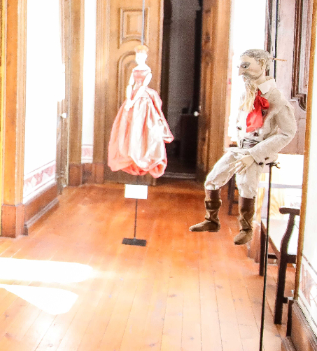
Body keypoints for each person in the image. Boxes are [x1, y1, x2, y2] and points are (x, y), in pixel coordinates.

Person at [189, 49, 296, 245]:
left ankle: (246, 228)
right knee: (212, 179)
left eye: (245, 66)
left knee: (247, 186)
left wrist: (254, 155)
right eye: (240, 66)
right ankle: (211, 220)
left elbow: (288, 133)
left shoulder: (277, 99)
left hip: (257, 152)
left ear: (262, 66)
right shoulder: (246, 94)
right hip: (239, 149)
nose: (240, 72)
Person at [107, 43, 174, 178]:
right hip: (132, 98)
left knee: (144, 126)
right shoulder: (135, 70)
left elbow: (143, 87)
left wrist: (133, 100)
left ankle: (143, 155)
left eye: (141, 56)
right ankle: (129, 153)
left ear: (145, 57)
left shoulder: (147, 71)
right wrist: (129, 99)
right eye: (138, 56)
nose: (139, 58)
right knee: (127, 126)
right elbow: (130, 85)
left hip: (142, 100)